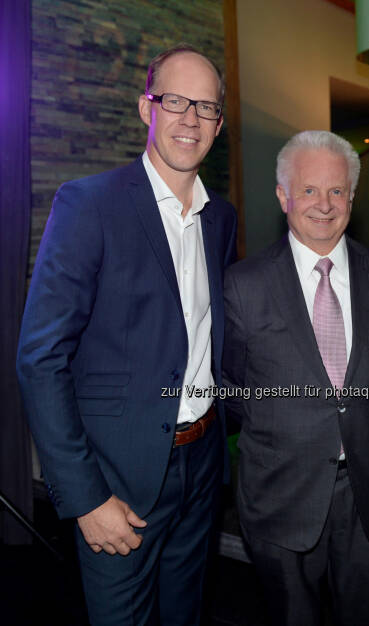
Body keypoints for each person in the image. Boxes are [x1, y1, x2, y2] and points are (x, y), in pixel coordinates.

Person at [16, 43, 237, 626]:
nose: (191, 118)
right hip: (118, 481)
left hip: (201, 467)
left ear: (219, 123)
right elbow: (41, 360)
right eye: (175, 101)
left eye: (207, 107)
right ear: (147, 109)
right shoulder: (90, 204)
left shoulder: (222, 218)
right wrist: (85, 496)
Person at [223, 130, 369, 626]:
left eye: (337, 191)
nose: (324, 205)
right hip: (281, 496)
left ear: (351, 196)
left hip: (368, 496)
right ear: (283, 196)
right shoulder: (244, 285)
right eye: (308, 190)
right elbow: (233, 389)